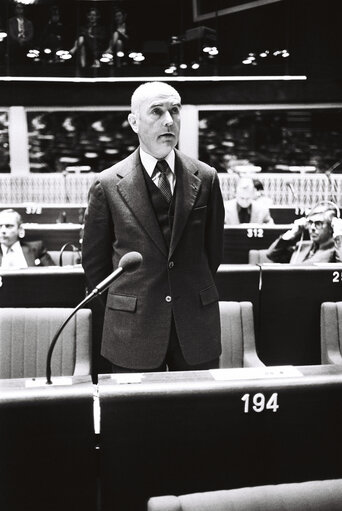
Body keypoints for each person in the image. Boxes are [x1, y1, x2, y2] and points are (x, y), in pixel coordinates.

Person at [82, 81, 225, 372]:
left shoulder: (207, 177)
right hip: (133, 327)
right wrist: (127, 303)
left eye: (175, 110)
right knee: (136, 417)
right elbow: (95, 265)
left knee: (200, 414)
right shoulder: (107, 184)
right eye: (157, 111)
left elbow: (213, 252)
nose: (169, 120)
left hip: (196, 324)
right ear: (134, 122)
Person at [266, 204, 342, 264]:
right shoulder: (302, 246)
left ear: (331, 227)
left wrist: (339, 235)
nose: (312, 227)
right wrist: (292, 233)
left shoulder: (336, 251)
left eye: (318, 223)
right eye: (310, 222)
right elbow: (272, 254)